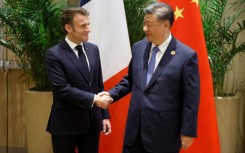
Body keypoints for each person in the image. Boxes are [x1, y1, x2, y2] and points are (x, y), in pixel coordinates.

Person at [99, 2, 200, 153]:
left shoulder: (186, 56)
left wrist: (188, 131)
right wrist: (111, 94)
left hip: (163, 134)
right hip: (134, 131)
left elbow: (191, 97)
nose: (144, 28)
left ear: (165, 25)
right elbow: (131, 79)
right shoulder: (139, 47)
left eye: (150, 24)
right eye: (144, 23)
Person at [44, 7, 112, 153]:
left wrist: (104, 116)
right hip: (65, 125)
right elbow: (62, 88)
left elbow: (98, 84)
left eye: (88, 24)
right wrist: (94, 99)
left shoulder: (93, 49)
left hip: (91, 124)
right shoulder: (53, 54)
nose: (88, 29)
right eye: (83, 26)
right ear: (68, 28)